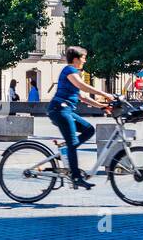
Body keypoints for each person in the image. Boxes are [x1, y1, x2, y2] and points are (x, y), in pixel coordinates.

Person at [47, 46, 115, 190]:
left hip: (65, 110)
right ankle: (76, 177)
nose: (85, 60)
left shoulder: (75, 73)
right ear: (76, 59)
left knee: (89, 130)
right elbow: (82, 86)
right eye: (83, 57)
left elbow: (82, 96)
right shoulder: (69, 70)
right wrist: (106, 94)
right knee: (72, 144)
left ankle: (67, 149)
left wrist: (101, 106)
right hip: (59, 109)